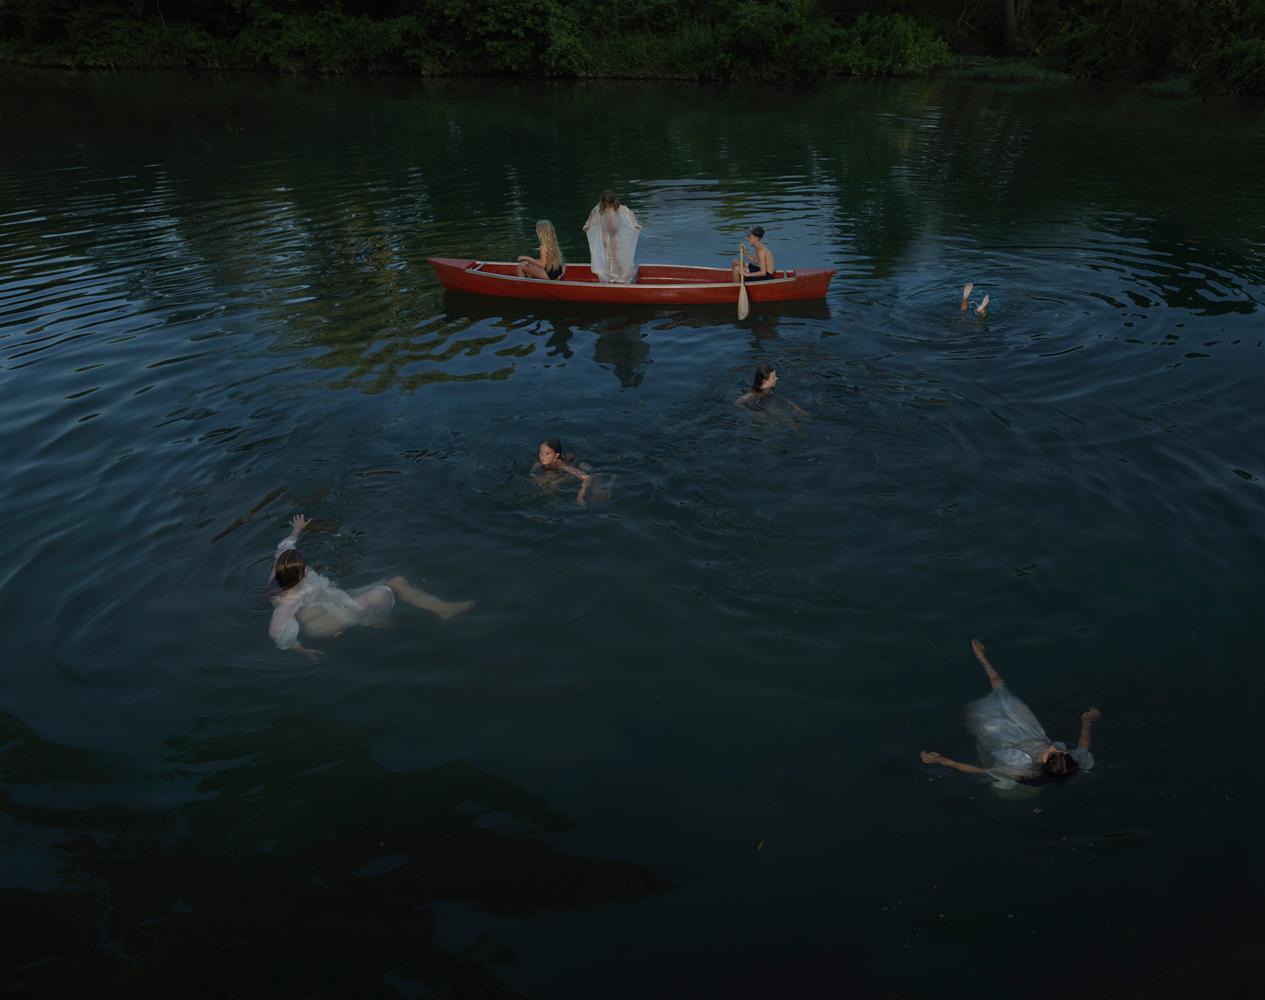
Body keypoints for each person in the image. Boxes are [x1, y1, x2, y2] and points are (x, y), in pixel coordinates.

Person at [266, 514, 474, 659]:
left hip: (331, 600)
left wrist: (297, 529)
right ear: (295, 576)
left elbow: (285, 546)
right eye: (303, 569)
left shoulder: (281, 564)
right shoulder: (287, 600)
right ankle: (376, 620)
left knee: (396, 581)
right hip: (320, 623)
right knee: (378, 595)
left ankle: (443, 608)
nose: (306, 568)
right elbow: (277, 631)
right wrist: (301, 649)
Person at [920, 640, 1100, 785]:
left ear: (1044, 763)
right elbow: (1084, 745)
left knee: (973, 711)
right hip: (1031, 730)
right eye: (1060, 752)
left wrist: (942, 761)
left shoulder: (1020, 770)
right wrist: (1087, 722)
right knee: (1003, 691)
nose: (1055, 747)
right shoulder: (1071, 762)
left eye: (1051, 753)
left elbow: (980, 771)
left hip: (1002, 739)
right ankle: (981, 657)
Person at [584, 191, 641, 284]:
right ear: (603, 202)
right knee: (609, 255)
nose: (609, 205)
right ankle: (611, 275)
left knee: (616, 256)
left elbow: (630, 215)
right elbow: (592, 216)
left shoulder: (620, 208)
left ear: (614, 202)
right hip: (605, 234)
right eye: (607, 203)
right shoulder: (599, 209)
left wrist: (635, 225)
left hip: (615, 235)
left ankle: (621, 275)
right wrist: (588, 225)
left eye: (610, 203)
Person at [531, 438, 594, 505]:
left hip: (574, 463)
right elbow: (532, 474)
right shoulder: (538, 464)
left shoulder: (564, 467)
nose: (543, 457)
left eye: (547, 454)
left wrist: (580, 496)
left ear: (556, 455)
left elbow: (587, 478)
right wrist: (536, 478)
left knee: (552, 483)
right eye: (541, 453)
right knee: (544, 482)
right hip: (559, 462)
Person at [735, 364, 807, 416]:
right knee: (782, 417)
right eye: (773, 377)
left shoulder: (770, 388)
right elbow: (737, 403)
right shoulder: (752, 394)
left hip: (768, 403)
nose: (776, 378)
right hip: (761, 409)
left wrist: (794, 406)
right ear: (765, 381)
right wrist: (756, 413)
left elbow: (780, 397)